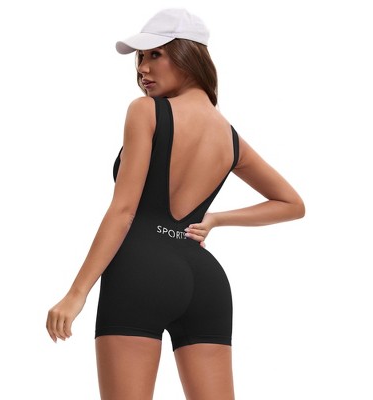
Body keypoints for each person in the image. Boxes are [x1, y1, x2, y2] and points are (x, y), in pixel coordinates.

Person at [46, 8, 305, 400]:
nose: (142, 69)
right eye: (140, 58)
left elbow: (124, 211)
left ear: (188, 55)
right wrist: (214, 218)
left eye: (156, 54)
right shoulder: (230, 137)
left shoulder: (145, 111)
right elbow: (291, 203)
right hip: (205, 282)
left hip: (139, 274)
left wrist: (76, 292)